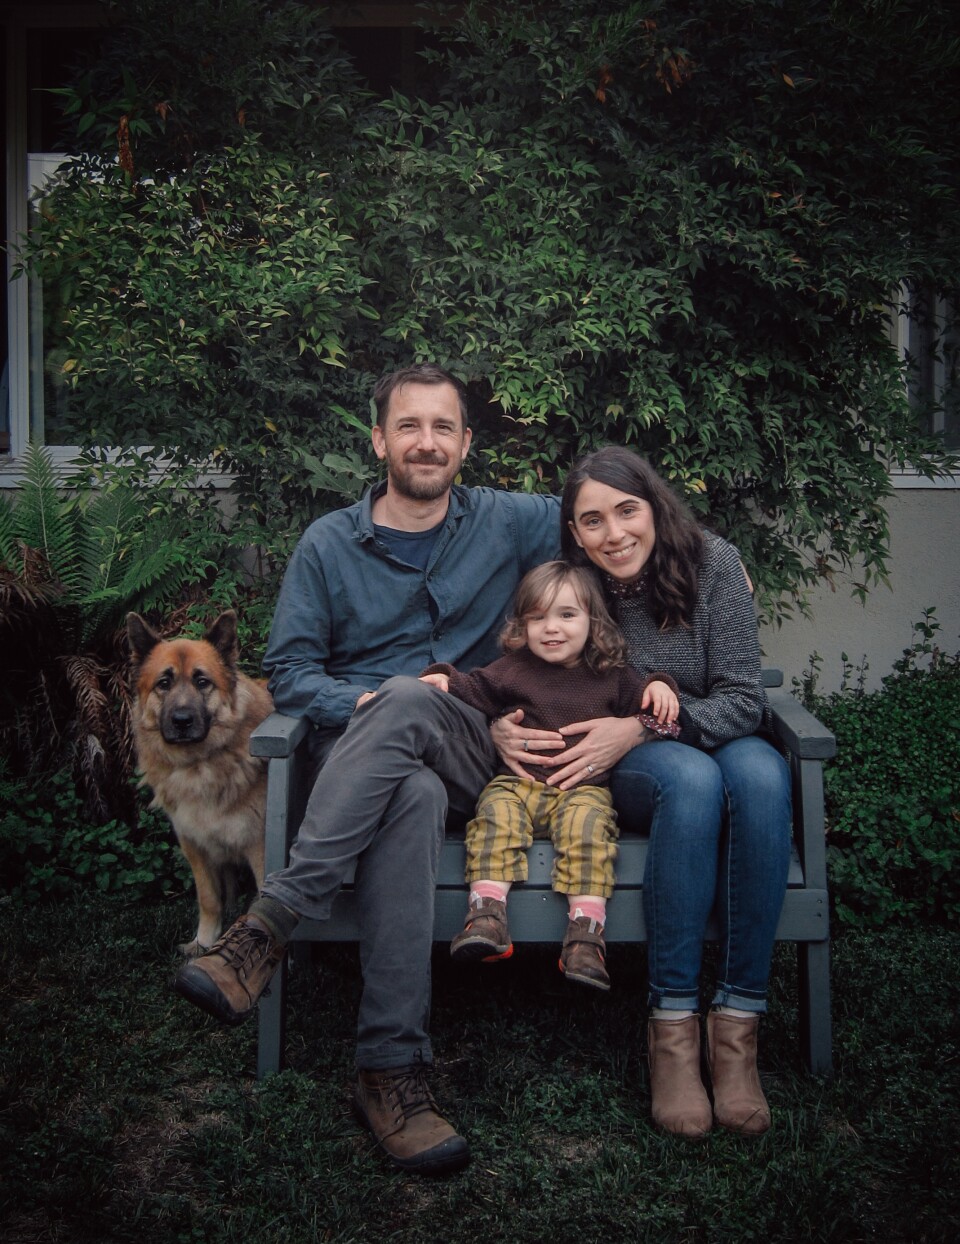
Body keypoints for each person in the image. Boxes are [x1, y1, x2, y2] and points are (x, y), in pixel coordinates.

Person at [173, 363, 560, 1175]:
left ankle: (266, 928)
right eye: (410, 426)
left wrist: (713, 560)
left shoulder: (509, 522)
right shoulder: (327, 544)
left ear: (464, 444)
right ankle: (389, 1070)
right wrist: (371, 705)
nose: (427, 442)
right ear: (380, 440)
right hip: (360, 761)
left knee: (416, 707)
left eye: (444, 428)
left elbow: (619, 520)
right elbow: (294, 670)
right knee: (406, 781)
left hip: (468, 744)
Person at [489, 446, 792, 1138]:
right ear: (574, 531)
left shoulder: (712, 563)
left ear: (654, 505)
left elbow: (743, 700)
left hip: (700, 728)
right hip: (622, 763)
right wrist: (499, 725)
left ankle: (739, 1026)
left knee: (764, 775)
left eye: (627, 511)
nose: (613, 534)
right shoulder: (578, 586)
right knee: (691, 780)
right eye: (590, 521)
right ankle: (673, 1029)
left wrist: (644, 726)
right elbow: (519, 670)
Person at [420, 560, 681, 992]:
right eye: (537, 617)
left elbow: (657, 717)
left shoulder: (611, 674)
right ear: (522, 626)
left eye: (566, 615)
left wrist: (659, 685)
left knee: (590, 830)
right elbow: (471, 687)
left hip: (583, 790)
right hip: (517, 784)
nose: (551, 628)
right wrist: (443, 678)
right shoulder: (513, 669)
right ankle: (486, 915)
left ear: (593, 622)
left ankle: (585, 935)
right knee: (494, 814)